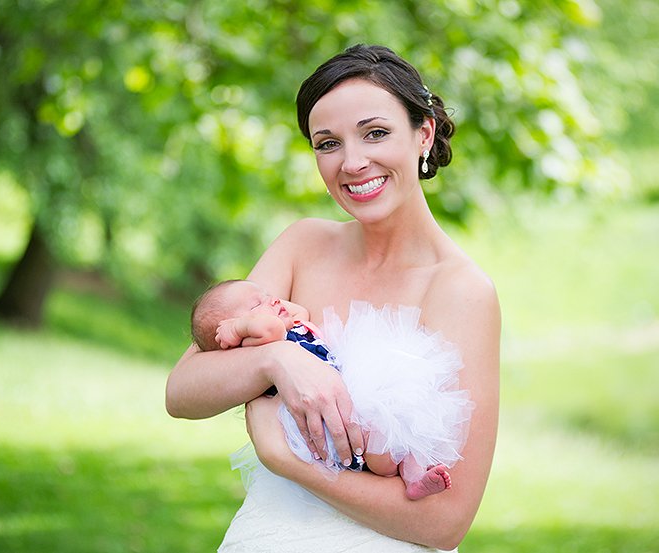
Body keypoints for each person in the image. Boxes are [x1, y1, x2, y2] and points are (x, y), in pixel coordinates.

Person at [166, 44, 500, 552]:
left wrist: (287, 461)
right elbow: (182, 391)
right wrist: (279, 360)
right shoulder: (303, 245)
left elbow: (442, 523)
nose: (352, 162)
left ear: (423, 134)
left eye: (376, 133)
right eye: (328, 143)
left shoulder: (462, 292)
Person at [189, 278, 471, 501]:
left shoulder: (293, 325)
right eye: (255, 305)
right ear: (236, 335)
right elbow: (270, 327)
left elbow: (299, 312)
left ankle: (414, 476)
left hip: (342, 397)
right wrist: (242, 326)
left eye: (267, 295)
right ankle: (394, 468)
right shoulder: (260, 342)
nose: (273, 300)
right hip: (325, 421)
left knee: (399, 420)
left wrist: (266, 307)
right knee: (379, 442)